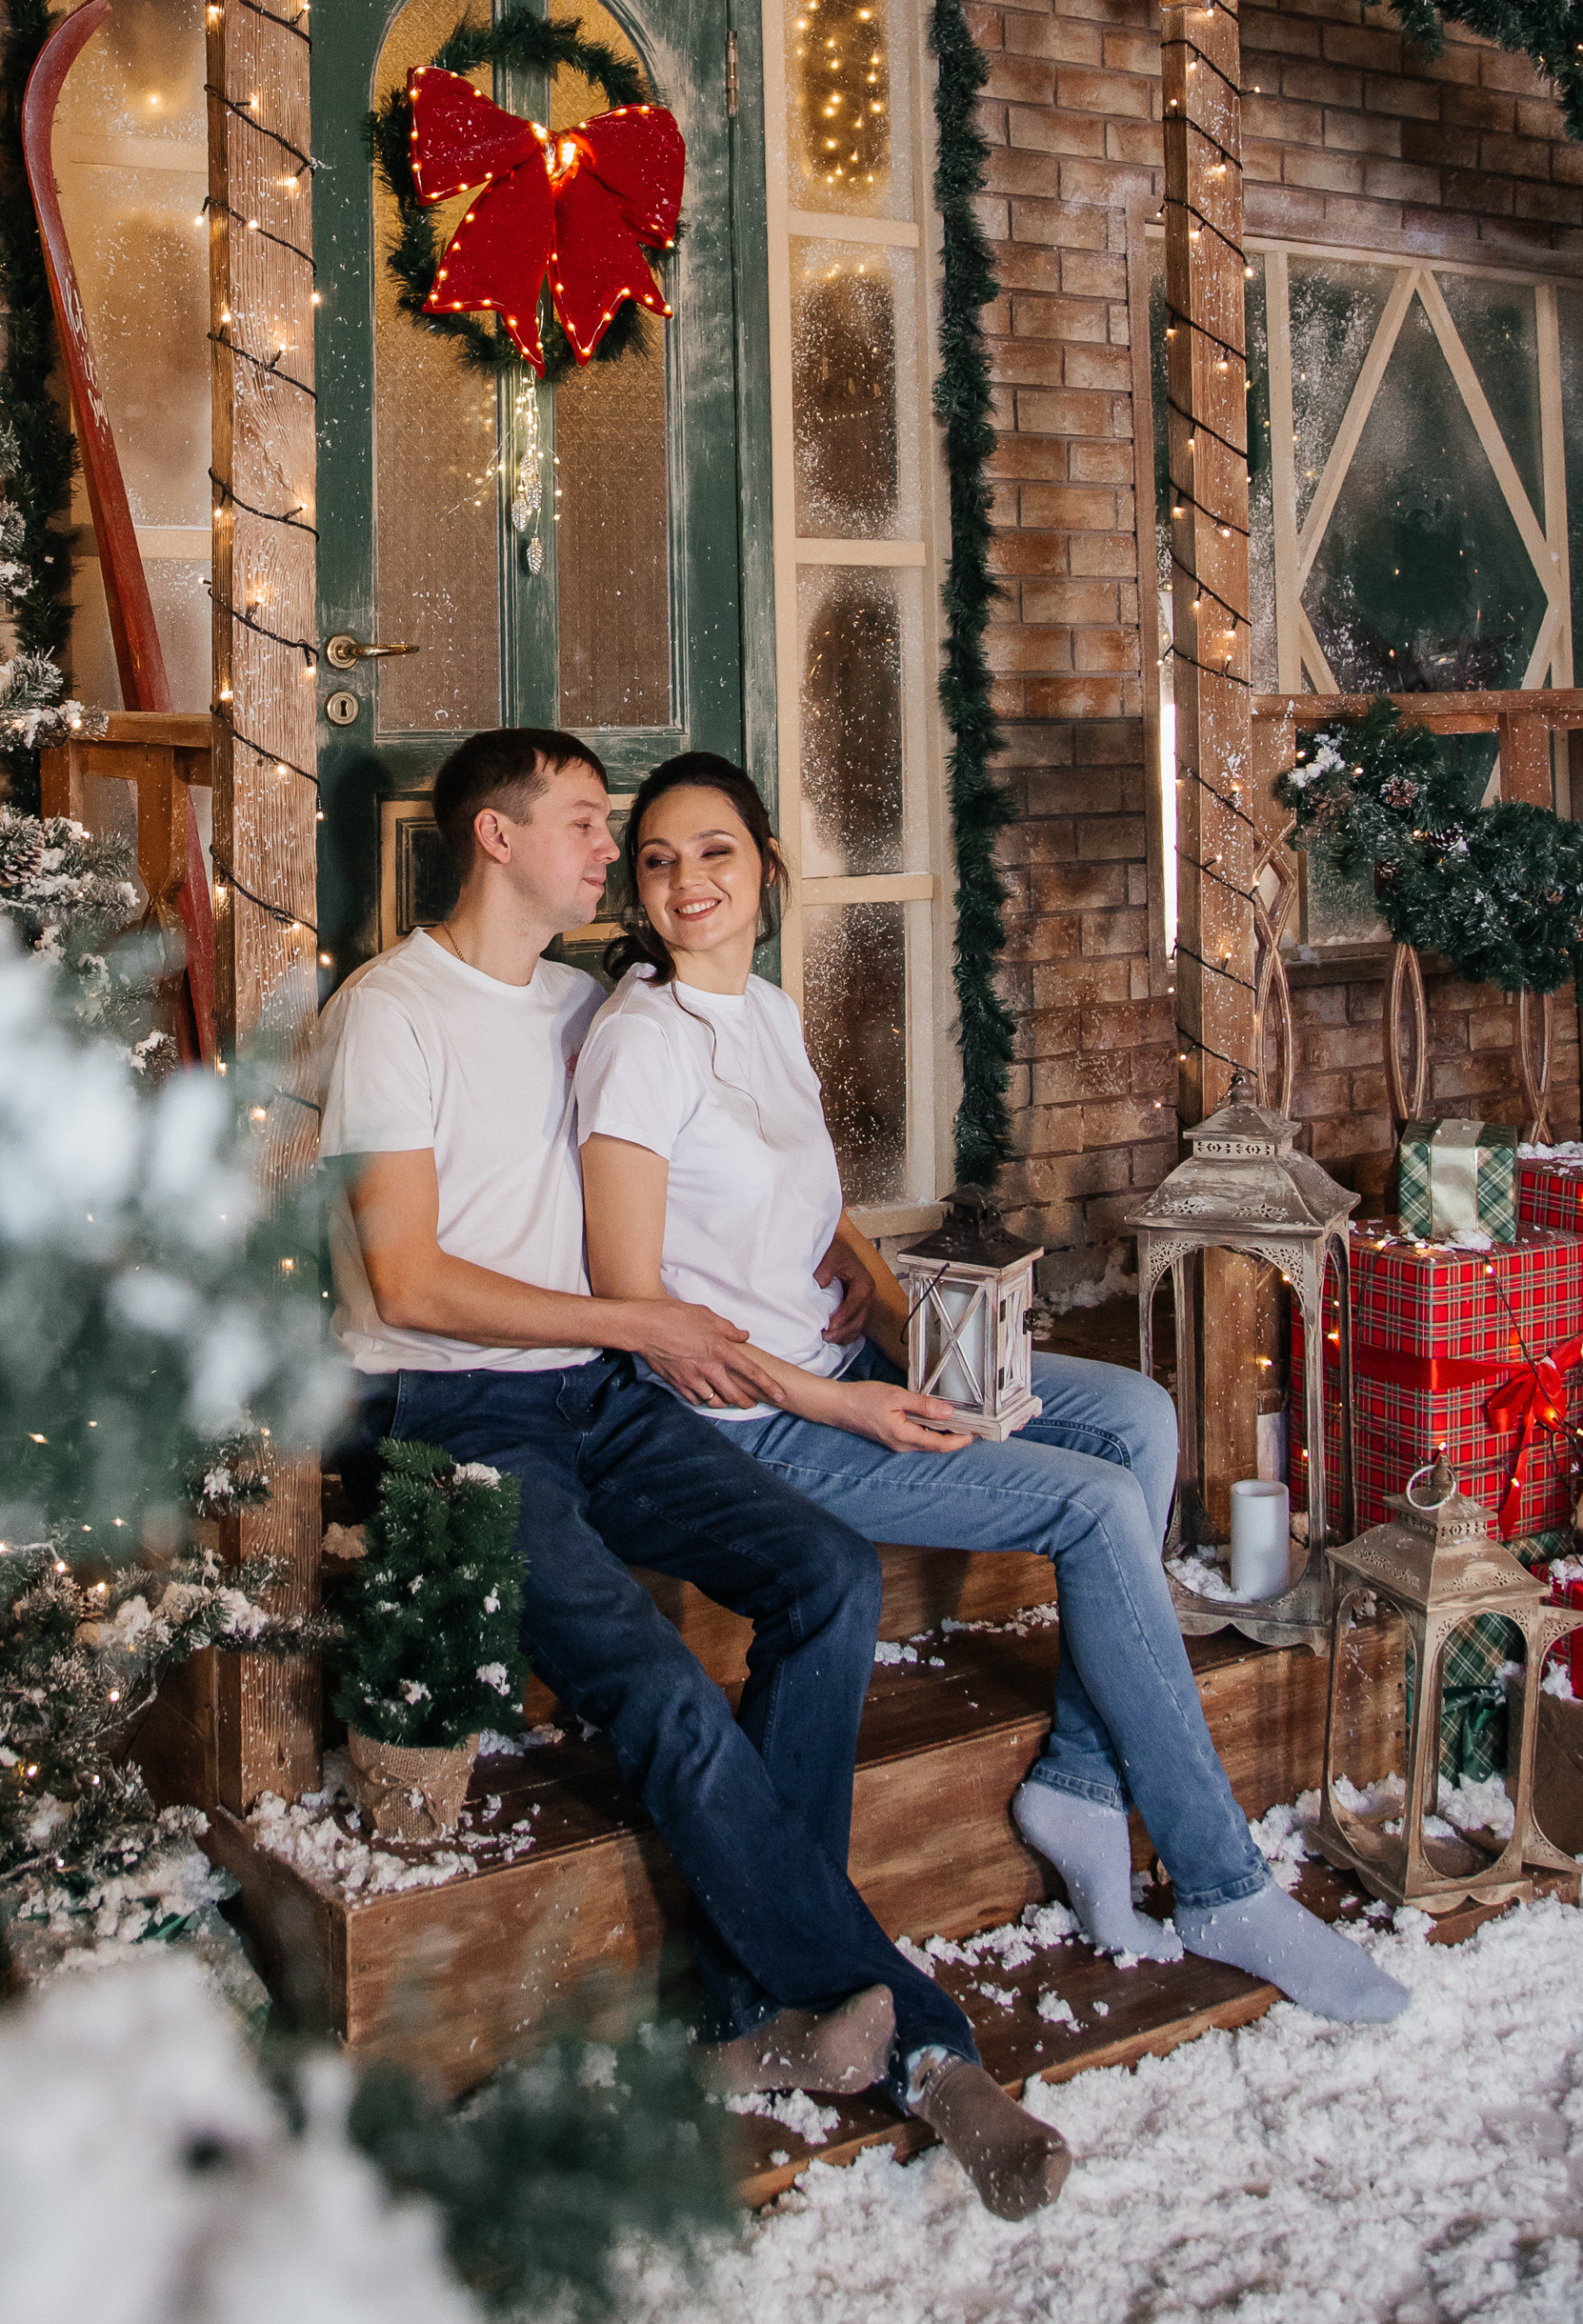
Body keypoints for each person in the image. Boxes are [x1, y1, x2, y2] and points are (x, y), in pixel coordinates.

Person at [316, 726, 1076, 2217]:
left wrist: (846, 1272)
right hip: (459, 1413)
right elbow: (404, 1278)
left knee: (820, 1574)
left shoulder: (587, 1002)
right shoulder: (387, 1012)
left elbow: (717, 1136)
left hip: (598, 1391)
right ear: (496, 836)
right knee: (657, 1683)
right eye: (592, 825)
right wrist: (641, 1320)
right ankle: (920, 2047)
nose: (617, 855)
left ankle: (760, 2011)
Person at [575, 747, 1408, 2028]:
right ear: (637, 888)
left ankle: (1077, 1780)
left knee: (1138, 1414)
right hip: (750, 1426)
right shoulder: (640, 1044)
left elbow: (813, 1205)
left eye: (715, 851)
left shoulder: (763, 1008)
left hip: (841, 1361)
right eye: (659, 860)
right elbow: (641, 1306)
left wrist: (900, 1319)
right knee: (1087, 1508)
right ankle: (1220, 1877)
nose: (688, 880)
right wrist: (836, 1400)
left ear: (765, 868)